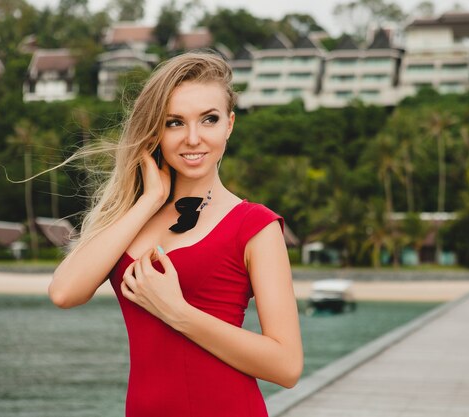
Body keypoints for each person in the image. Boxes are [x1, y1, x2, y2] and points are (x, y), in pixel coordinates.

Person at [49, 51, 303, 416]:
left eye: (209, 119)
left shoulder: (254, 226)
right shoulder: (130, 216)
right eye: (174, 123)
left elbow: (287, 366)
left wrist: (177, 312)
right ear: (155, 130)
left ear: (229, 125)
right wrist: (150, 199)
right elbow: (64, 292)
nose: (193, 138)